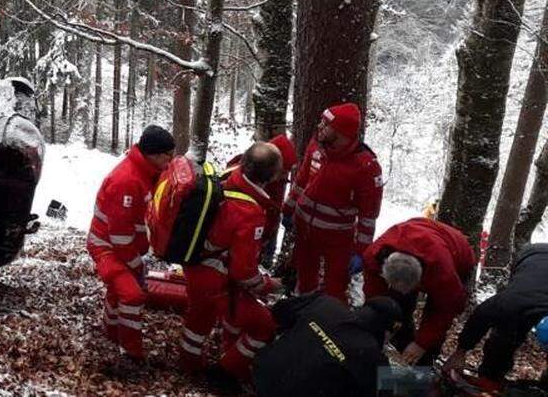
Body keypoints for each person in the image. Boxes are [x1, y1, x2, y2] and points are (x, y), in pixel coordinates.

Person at [179, 142, 283, 389]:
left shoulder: (227, 175)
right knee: (264, 325)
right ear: (271, 177)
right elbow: (243, 271)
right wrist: (268, 285)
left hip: (194, 262)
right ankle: (226, 372)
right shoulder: (250, 211)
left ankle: (189, 363)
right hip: (214, 275)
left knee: (199, 317)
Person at [87, 125, 176, 360]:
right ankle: (131, 351)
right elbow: (119, 235)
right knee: (132, 295)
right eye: (169, 155)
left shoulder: (146, 172)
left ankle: (110, 329)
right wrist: (136, 264)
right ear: (155, 155)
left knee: (120, 290)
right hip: (106, 246)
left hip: (123, 247)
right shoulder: (126, 181)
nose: (171, 160)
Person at [283, 103, 384, 302]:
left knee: (334, 288)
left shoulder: (367, 167)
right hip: (304, 230)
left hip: (337, 238)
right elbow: (301, 181)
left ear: (340, 132)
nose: (319, 126)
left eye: (325, 124)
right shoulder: (316, 145)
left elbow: (368, 216)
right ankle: (301, 315)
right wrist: (288, 208)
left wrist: (361, 252)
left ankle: (328, 322)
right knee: (304, 280)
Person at [362, 217, 476, 366]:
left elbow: (446, 309)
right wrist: (380, 327)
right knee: (399, 306)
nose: (403, 293)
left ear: (420, 280)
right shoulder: (375, 255)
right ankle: (400, 347)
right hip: (418, 238)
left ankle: (425, 364)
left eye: (408, 289)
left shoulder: (443, 272)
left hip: (457, 253)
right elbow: (375, 297)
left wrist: (422, 344)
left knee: (432, 333)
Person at [443, 243, 548, 392]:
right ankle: (490, 379)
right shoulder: (508, 303)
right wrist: (461, 352)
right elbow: (479, 318)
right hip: (532, 256)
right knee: (505, 336)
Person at [252, 294, 403, 397]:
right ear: (385, 329)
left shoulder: (326, 303)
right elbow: (387, 392)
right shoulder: (372, 355)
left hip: (262, 373)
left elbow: (280, 311)